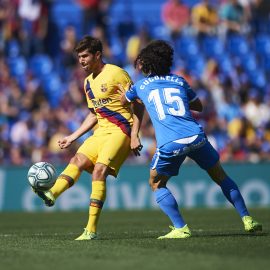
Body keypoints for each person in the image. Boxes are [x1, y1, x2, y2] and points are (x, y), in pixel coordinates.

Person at [119, 40, 262, 239]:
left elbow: (123, 102)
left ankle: (181, 227)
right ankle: (247, 219)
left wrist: (126, 92)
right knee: (221, 176)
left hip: (171, 142)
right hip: (196, 137)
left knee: (156, 183)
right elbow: (199, 106)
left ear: (147, 63)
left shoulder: (140, 85)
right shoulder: (180, 81)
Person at [33, 35, 143, 240]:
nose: (81, 60)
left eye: (85, 56)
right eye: (79, 57)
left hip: (121, 130)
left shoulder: (117, 73)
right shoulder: (87, 83)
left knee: (99, 171)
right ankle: (51, 194)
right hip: (100, 132)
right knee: (77, 160)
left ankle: (90, 230)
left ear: (98, 55)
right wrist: (73, 137)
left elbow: (138, 105)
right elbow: (94, 114)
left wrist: (135, 135)